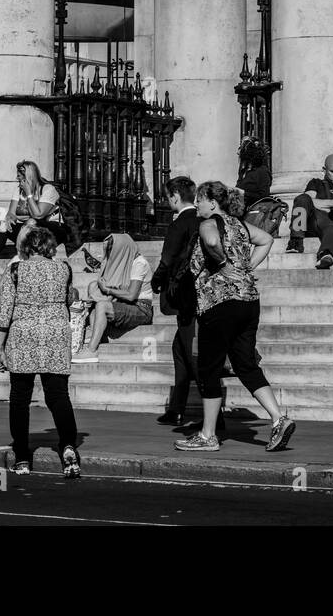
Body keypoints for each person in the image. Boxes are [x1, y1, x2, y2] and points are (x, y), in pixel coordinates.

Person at [174, 181, 296, 453]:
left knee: (209, 369)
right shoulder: (239, 224)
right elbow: (266, 239)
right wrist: (246, 266)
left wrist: (222, 264)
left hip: (219, 302)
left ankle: (208, 435)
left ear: (211, 203)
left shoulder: (209, 222)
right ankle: (279, 418)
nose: (197, 205)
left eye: (200, 200)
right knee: (245, 364)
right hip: (248, 301)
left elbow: (212, 240)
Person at [0, 225, 81, 479]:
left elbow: (5, 310)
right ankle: (68, 447)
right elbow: (68, 300)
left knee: (20, 398)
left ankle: (22, 457)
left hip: (23, 335)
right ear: (50, 248)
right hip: (55, 334)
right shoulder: (64, 268)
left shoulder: (16, 270)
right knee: (58, 396)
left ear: (26, 248)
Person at [151, 176, 202, 427]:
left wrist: (156, 280)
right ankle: (176, 408)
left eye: (168, 196)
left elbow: (168, 258)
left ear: (174, 196)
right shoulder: (203, 220)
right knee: (180, 349)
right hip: (200, 292)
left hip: (185, 295)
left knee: (192, 355)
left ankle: (215, 414)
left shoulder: (179, 223)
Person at [0, 161, 66, 275]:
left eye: (20, 176)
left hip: (53, 229)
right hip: (29, 229)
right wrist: (9, 219)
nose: (17, 178)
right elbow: (11, 213)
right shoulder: (18, 190)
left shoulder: (48, 189)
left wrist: (29, 193)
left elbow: (38, 214)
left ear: (30, 176)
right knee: (3, 224)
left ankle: (28, 261)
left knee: (31, 221)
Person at [71, 233, 153, 364]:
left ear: (121, 249)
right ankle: (96, 341)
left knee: (102, 306)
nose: (111, 254)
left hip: (141, 308)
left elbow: (131, 295)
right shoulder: (124, 263)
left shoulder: (139, 263)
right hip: (125, 304)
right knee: (94, 308)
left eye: (112, 250)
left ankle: (91, 350)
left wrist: (107, 290)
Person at [287, 154, 333, 270]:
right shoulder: (316, 183)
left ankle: (326, 255)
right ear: (324, 170)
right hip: (313, 220)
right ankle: (296, 240)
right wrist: (332, 203)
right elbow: (308, 200)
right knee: (302, 198)